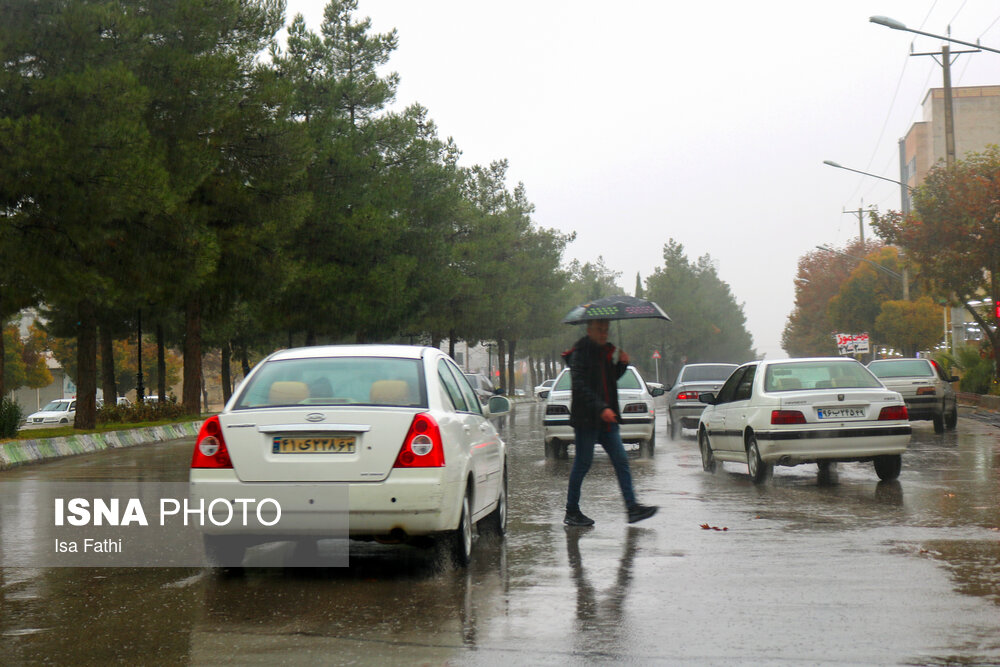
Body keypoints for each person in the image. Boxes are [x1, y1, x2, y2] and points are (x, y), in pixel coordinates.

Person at [563, 319, 658, 526]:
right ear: (589, 330)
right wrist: (601, 408)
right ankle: (572, 511)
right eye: (599, 330)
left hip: (607, 421)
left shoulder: (604, 351)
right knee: (583, 464)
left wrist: (622, 364)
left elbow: (608, 379)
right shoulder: (581, 353)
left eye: (606, 330)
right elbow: (580, 386)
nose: (604, 333)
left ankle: (632, 508)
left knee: (621, 461)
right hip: (587, 420)